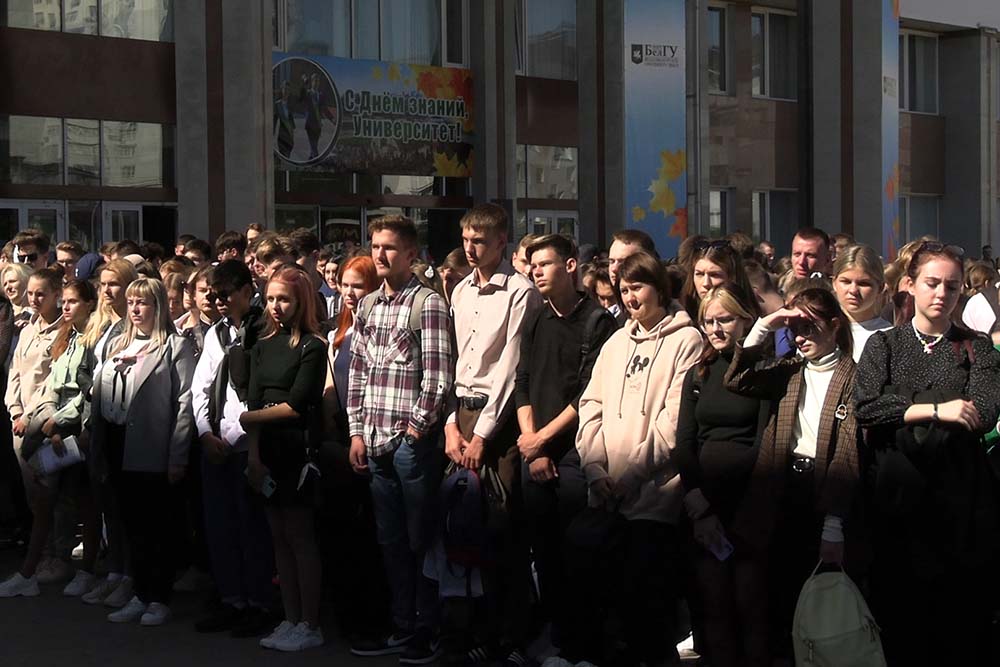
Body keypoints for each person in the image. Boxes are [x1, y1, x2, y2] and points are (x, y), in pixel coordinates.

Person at [854, 242, 1000, 666]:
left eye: (952, 287)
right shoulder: (885, 344)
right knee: (900, 625)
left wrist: (901, 405)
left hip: (958, 505)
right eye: (932, 283)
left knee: (958, 628)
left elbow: (983, 412)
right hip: (895, 502)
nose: (941, 294)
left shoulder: (975, 348)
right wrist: (937, 409)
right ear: (910, 284)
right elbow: (867, 407)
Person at [574, 252, 703, 666]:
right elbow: (591, 405)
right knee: (610, 609)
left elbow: (672, 422)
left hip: (654, 495)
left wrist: (631, 475)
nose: (630, 298)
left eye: (638, 288)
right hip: (606, 494)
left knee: (649, 609)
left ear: (659, 288)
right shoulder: (615, 343)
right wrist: (595, 469)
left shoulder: (687, 340)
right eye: (624, 290)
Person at [725, 287, 860, 660]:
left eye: (809, 327)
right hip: (780, 489)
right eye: (794, 328)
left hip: (821, 491)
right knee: (775, 597)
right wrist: (765, 326)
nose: (800, 337)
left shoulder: (852, 375)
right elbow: (737, 380)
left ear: (835, 326)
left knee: (815, 601)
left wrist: (833, 524)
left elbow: (847, 452)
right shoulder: (790, 369)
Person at [347, 215, 453, 663]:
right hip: (373, 440)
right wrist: (355, 431)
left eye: (389, 247)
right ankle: (402, 622)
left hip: (411, 444)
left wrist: (415, 429)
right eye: (375, 246)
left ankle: (429, 627)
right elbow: (358, 371)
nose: (380, 254)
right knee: (389, 540)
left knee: (420, 537)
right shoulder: (368, 305)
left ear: (411, 254)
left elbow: (438, 376)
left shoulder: (427, 303)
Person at [445, 203, 541, 666]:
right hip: (460, 414)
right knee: (466, 528)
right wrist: (451, 424)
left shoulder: (520, 292)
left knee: (504, 530)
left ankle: (513, 637)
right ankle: (476, 630)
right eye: (466, 239)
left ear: (502, 242)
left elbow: (509, 367)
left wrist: (482, 433)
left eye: (480, 240)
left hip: (498, 421)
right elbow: (451, 359)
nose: (470, 248)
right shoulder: (460, 290)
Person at [514, 234, 616, 662]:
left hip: (575, 454)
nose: (536, 271)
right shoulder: (536, 318)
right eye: (532, 265)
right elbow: (522, 381)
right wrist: (531, 443)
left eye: (545, 263)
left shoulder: (597, 321)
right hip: (534, 452)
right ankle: (555, 640)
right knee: (544, 554)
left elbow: (589, 393)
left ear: (571, 266)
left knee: (579, 554)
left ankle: (583, 645)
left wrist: (543, 440)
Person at [90, 277, 196, 626]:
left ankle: (158, 597)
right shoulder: (117, 344)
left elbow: (184, 404)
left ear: (158, 306)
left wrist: (177, 455)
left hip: (153, 446)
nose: (135, 309)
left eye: (143, 303)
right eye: (132, 302)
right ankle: (139, 592)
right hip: (117, 440)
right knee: (130, 523)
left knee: (156, 526)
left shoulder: (174, 347)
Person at [674, 284, 769, 667]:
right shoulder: (698, 373)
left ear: (745, 320)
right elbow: (684, 442)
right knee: (711, 606)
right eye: (708, 321)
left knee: (750, 604)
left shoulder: (760, 372)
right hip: (701, 508)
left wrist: (714, 504)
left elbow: (764, 443)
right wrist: (697, 501)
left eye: (725, 319)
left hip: (745, 505)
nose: (715, 328)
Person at [240, 265, 327, 652]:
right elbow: (254, 399)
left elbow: (296, 405)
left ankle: (310, 622)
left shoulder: (312, 347)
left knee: (300, 536)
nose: (276, 306)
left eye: (285, 300)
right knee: (278, 536)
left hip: (296, 450)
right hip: (267, 450)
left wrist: (250, 419)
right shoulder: (261, 345)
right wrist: (253, 456)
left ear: (301, 302)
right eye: (271, 299)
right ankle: (289, 618)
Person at [190, 260, 276, 637]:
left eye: (225, 294)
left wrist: (238, 437)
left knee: (252, 529)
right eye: (213, 296)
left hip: (248, 443)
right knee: (220, 527)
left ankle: (260, 603)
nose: (219, 302)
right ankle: (232, 599)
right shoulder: (216, 333)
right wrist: (205, 433)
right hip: (216, 443)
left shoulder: (264, 329)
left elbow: (260, 392)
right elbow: (200, 388)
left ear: (246, 291)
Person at [0, 280, 100, 598]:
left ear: (89, 304)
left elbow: (90, 391)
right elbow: (53, 385)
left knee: (85, 503)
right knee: (45, 498)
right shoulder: (67, 337)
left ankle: (86, 570)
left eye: (73, 301)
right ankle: (29, 572)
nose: (66, 307)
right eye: (65, 301)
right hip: (55, 429)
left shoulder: (94, 340)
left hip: (80, 431)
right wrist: (46, 419)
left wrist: (61, 421)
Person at [318, 255, 389, 644]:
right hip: (343, 439)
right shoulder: (338, 332)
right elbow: (333, 385)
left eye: (357, 285)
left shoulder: (378, 326)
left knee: (373, 534)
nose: (348, 292)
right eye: (344, 284)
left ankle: (376, 616)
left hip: (374, 437)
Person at [0, 268, 72, 593]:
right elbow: (15, 371)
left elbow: (53, 381)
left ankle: (59, 555)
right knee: (33, 496)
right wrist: (15, 409)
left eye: (40, 293)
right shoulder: (29, 329)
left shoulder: (64, 331)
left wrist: (31, 417)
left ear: (56, 293)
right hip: (19, 423)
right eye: (30, 293)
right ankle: (43, 552)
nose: (34, 299)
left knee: (53, 494)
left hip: (44, 423)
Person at [831, 245, 893, 362]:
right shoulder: (821, 330)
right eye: (846, 282)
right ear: (834, 283)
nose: (853, 290)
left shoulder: (889, 336)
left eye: (863, 283)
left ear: (880, 288)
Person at [680, 239, 756, 321]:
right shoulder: (681, 315)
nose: (706, 283)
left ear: (733, 277)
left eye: (714, 275)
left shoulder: (758, 323)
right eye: (699, 274)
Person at [608, 229, 657, 325]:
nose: (614, 268)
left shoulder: (673, 318)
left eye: (623, 262)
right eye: (611, 261)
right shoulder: (608, 316)